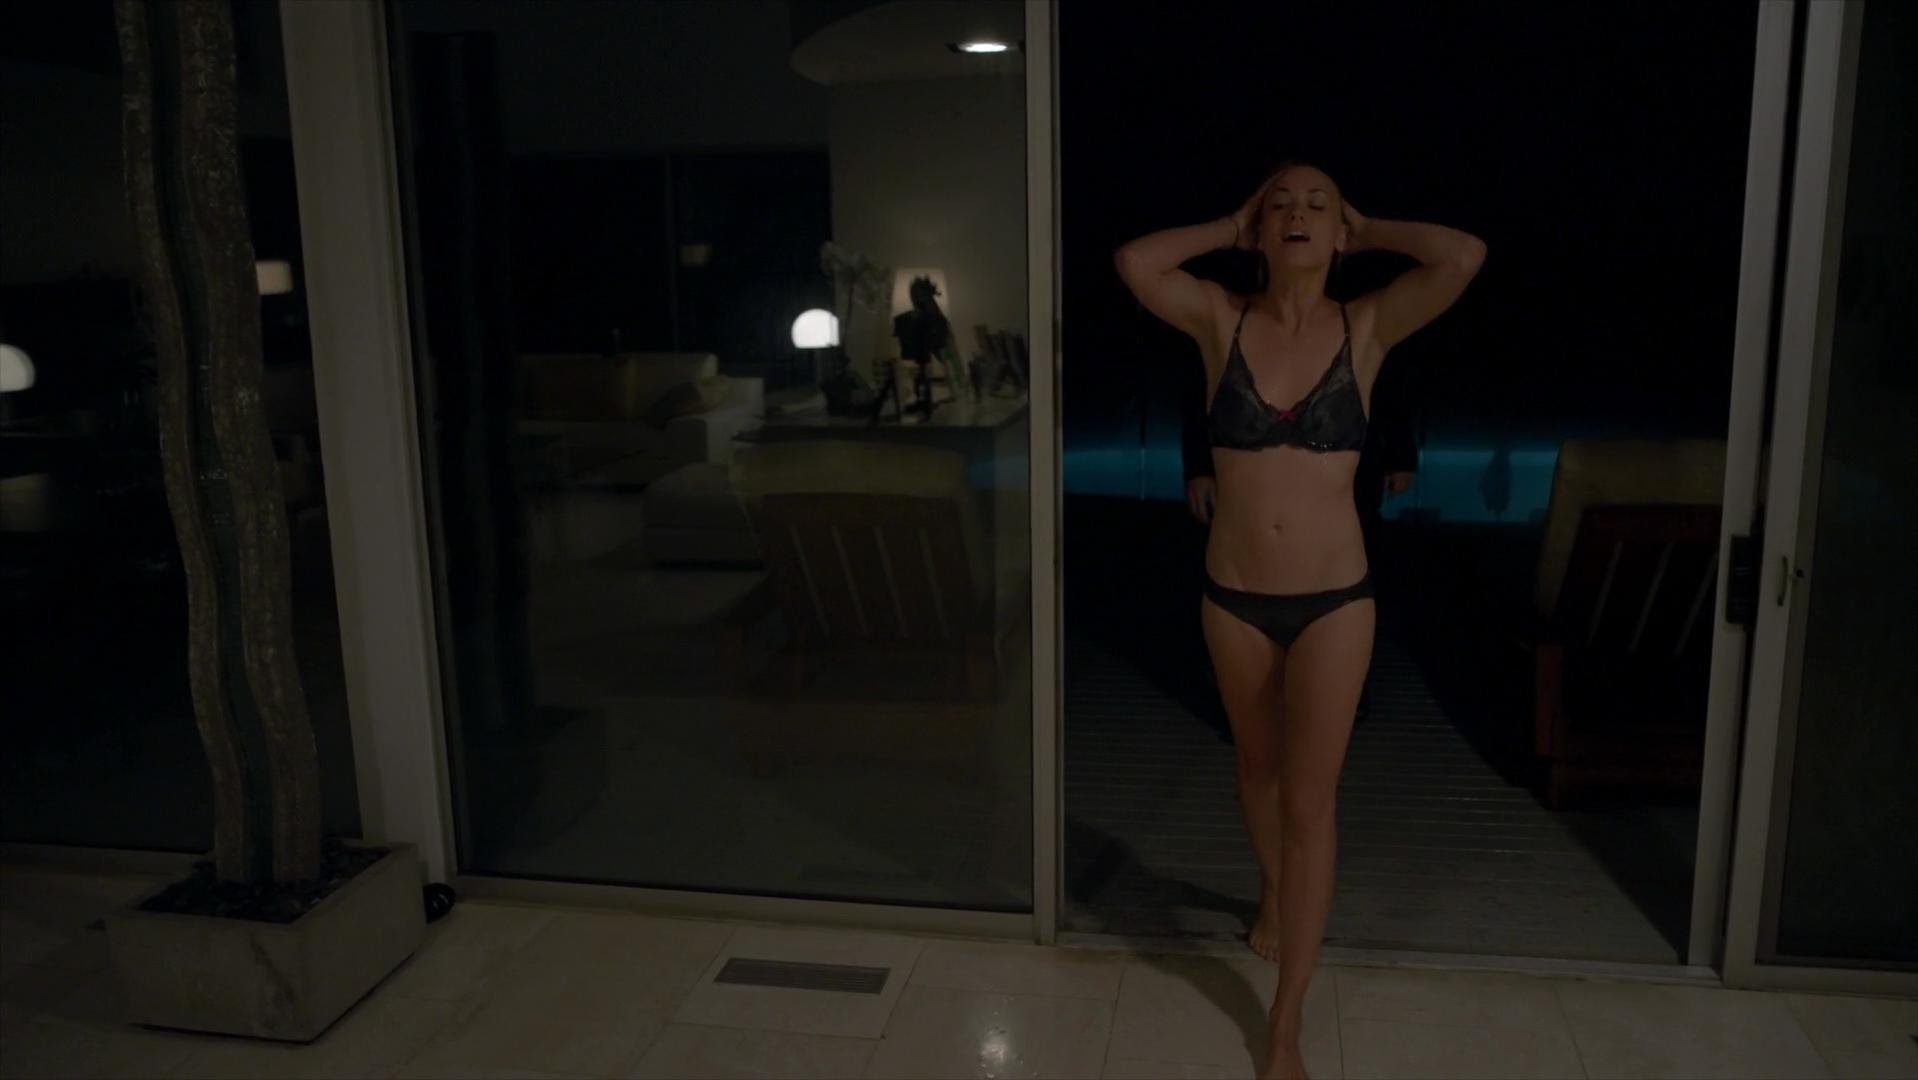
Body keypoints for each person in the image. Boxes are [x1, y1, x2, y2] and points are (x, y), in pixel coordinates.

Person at [1116, 162, 1483, 1080]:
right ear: (1259, 225)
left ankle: (1283, 1028)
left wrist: (1372, 226)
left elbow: (1462, 257)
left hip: (1335, 600)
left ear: (1338, 232)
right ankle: (1275, 891)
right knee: (1257, 769)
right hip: (1234, 595)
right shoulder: (1221, 320)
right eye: (1280, 202)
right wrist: (1226, 224)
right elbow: (1134, 263)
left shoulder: (1367, 326)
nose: (1297, 214)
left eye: (1317, 205)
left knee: (1310, 804)